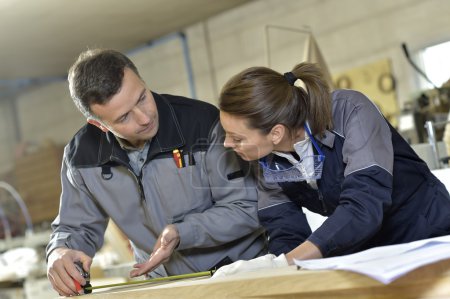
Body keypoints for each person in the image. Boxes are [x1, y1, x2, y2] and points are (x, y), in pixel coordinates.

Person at [45, 49, 267, 296]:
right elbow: (75, 228)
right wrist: (60, 251)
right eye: (124, 117)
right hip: (164, 288)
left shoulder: (203, 124)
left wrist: (182, 232)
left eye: (142, 97)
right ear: (98, 124)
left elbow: (247, 206)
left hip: (240, 280)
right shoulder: (81, 157)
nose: (144, 117)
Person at [213, 62, 450, 276]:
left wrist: (286, 263)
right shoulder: (265, 157)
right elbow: (285, 226)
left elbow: (364, 203)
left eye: (236, 137)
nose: (226, 144)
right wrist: (275, 268)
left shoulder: (349, 111)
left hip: (426, 234)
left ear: (276, 132)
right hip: (368, 251)